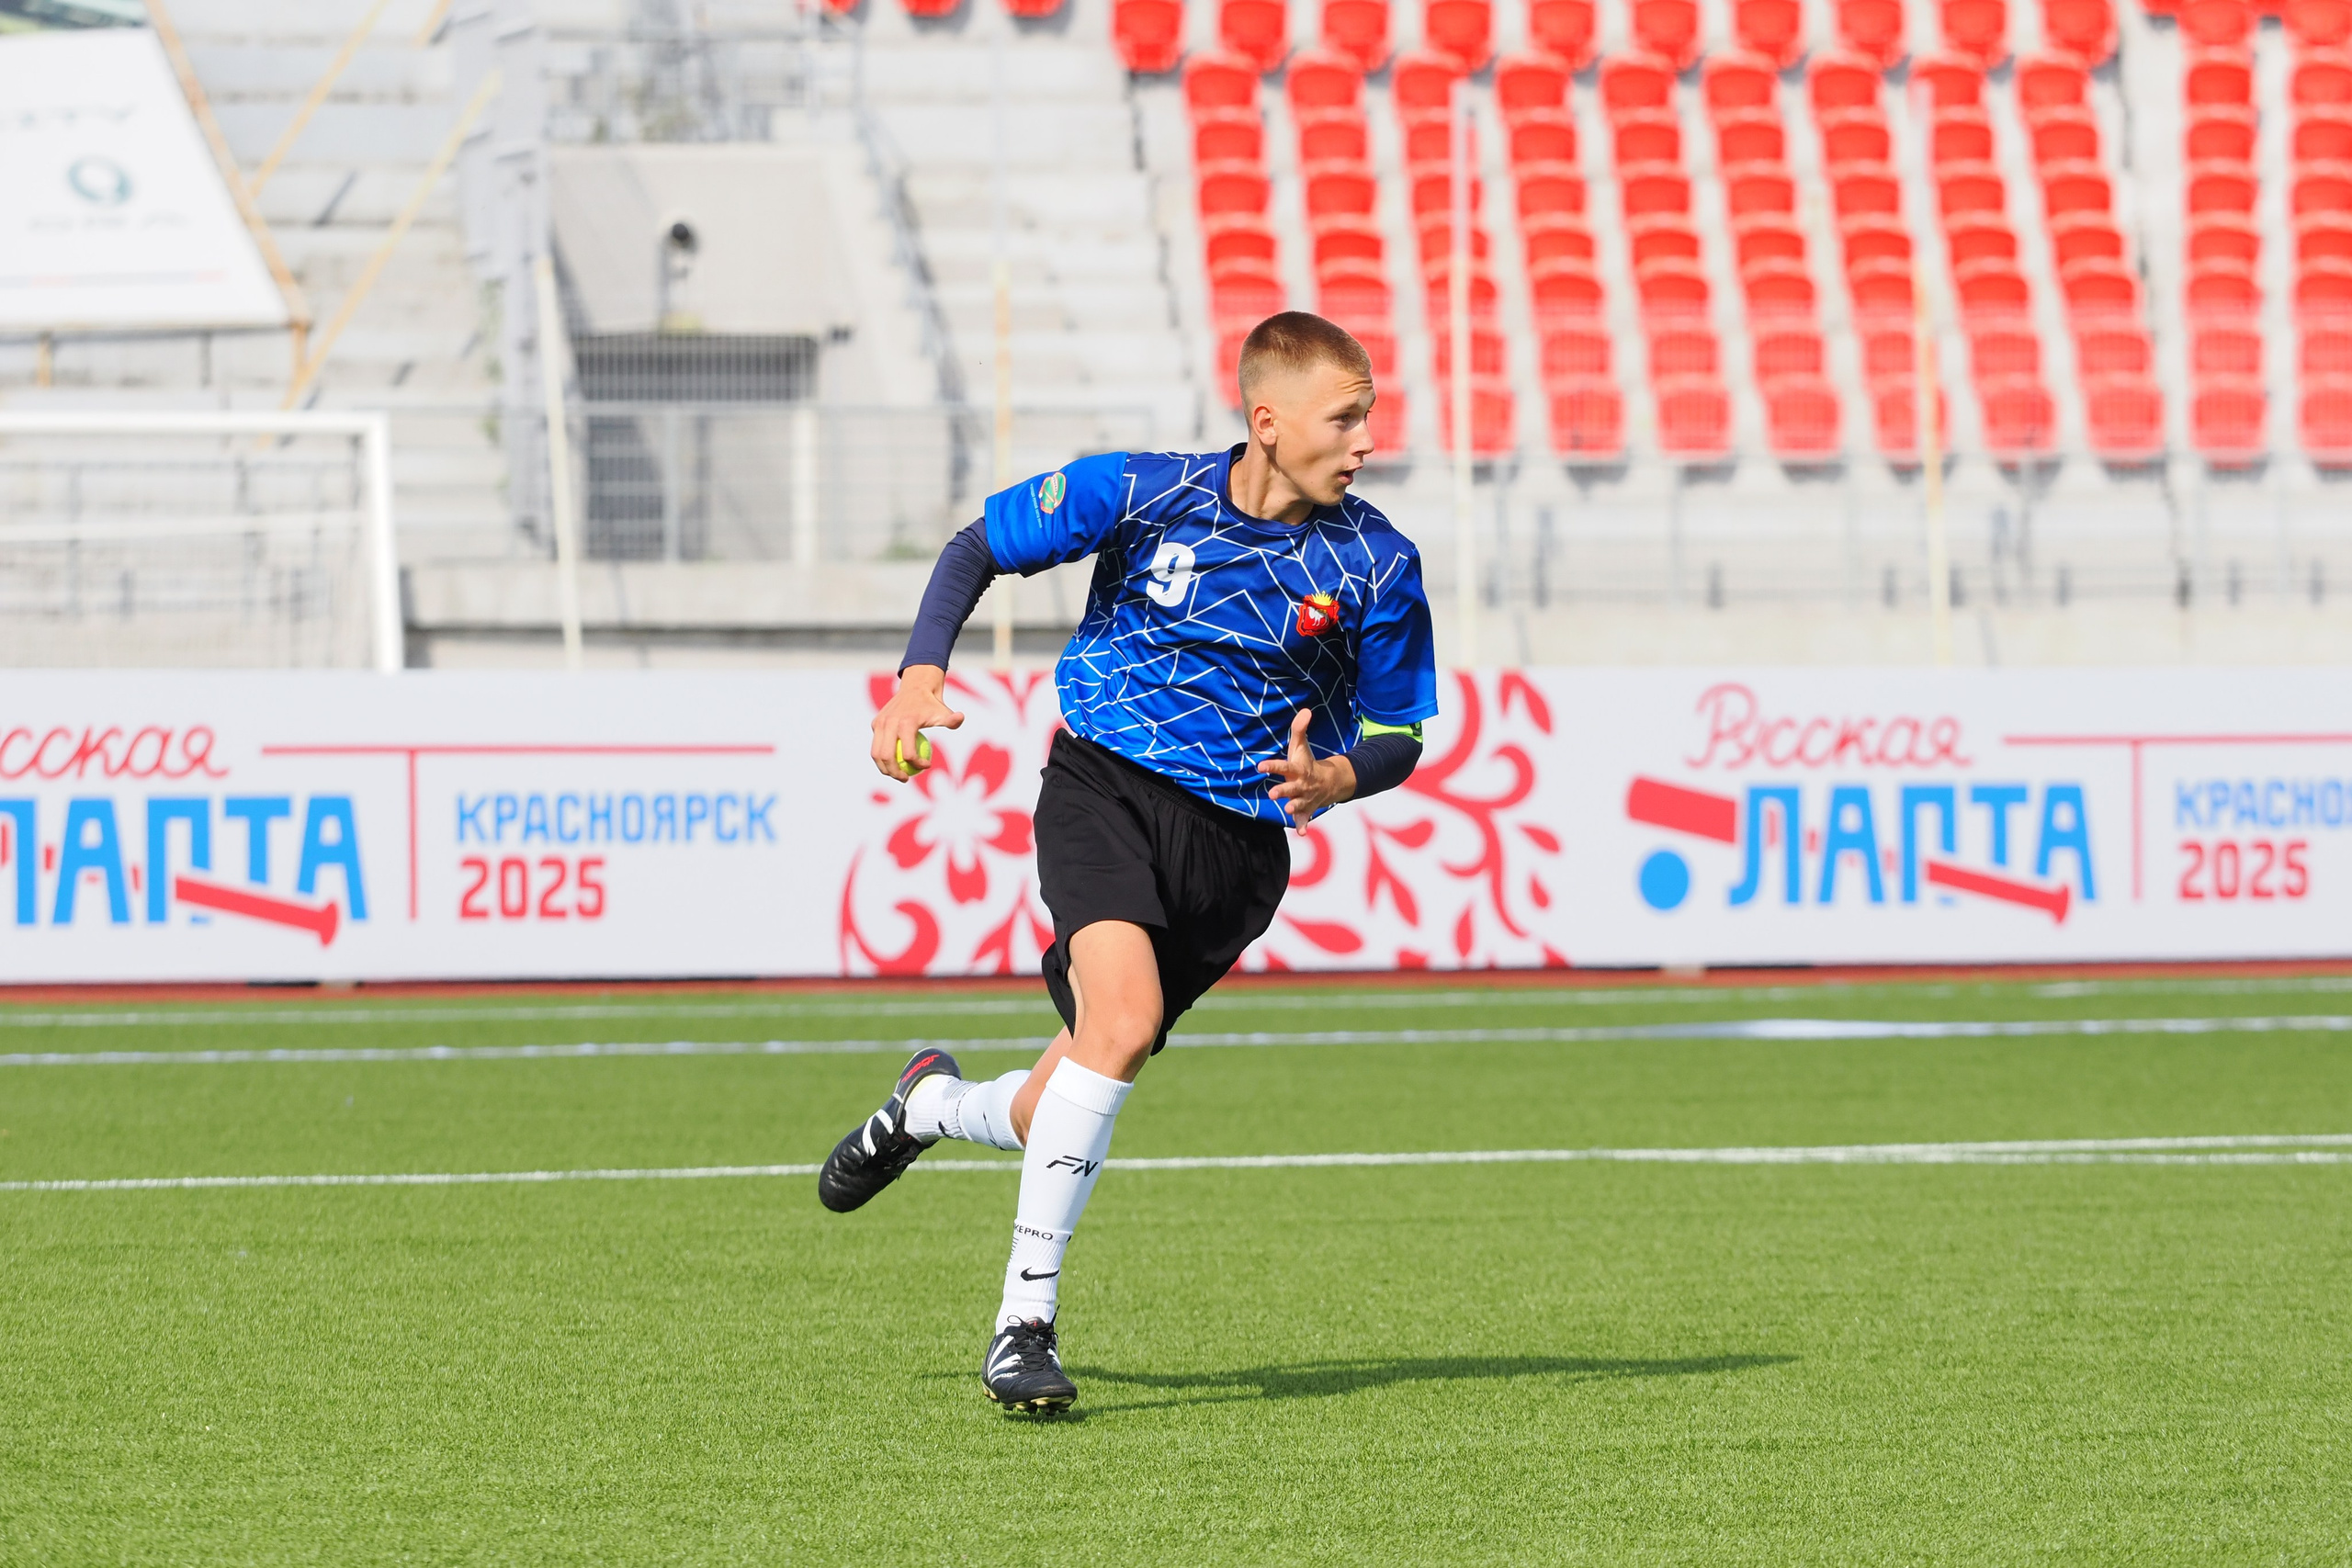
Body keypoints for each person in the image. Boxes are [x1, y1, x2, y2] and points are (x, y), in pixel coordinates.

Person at [817, 311, 1439, 1416]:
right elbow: (975, 548)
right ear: (1266, 420)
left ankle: (924, 1108)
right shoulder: (1143, 493)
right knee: (1120, 1025)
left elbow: (1399, 732)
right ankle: (1022, 1327)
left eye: (1368, 418)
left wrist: (1343, 776)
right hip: (1103, 787)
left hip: (1238, 852)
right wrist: (918, 676)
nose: (1365, 441)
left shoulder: (1378, 563)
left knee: (1064, 1090)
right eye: (1345, 418)